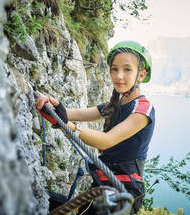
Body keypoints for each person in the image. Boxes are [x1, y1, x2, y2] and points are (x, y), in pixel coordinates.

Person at [35, 40, 155, 214]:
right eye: (115, 69)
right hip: (103, 183)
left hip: (123, 191)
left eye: (127, 69)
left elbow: (106, 141)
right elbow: (73, 113)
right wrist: (50, 105)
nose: (119, 75)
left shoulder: (143, 110)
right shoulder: (115, 104)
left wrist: (66, 125)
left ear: (141, 75)